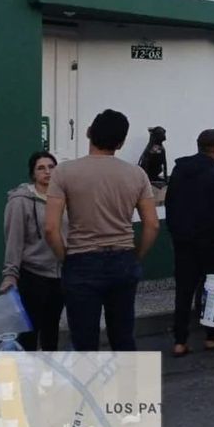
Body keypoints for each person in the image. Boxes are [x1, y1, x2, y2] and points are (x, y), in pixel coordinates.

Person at [45, 109, 159, 351]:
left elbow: (51, 228)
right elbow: (152, 224)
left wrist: (65, 257)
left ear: (88, 133)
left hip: (81, 260)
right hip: (123, 258)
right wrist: (136, 255)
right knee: (123, 336)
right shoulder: (137, 175)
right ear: (121, 142)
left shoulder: (64, 172)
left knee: (84, 340)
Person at [165, 129, 214, 357]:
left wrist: (176, 233)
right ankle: (212, 337)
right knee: (211, 289)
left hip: (183, 240)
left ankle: (179, 341)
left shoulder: (179, 170)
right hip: (211, 242)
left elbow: (170, 203)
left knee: (183, 290)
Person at [0, 151, 64, 351]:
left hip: (61, 273)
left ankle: (48, 375)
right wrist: (10, 273)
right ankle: (27, 375)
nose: (47, 172)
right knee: (29, 330)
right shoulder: (21, 200)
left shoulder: (64, 198)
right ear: (33, 174)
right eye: (41, 168)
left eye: (51, 167)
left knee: (52, 329)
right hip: (33, 273)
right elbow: (14, 238)